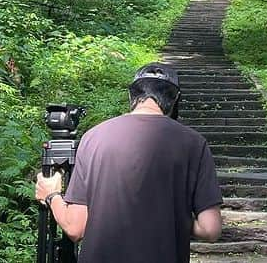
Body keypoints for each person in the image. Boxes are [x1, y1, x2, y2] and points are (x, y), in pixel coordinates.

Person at [35, 63, 223, 263]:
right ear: (175, 99)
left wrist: (52, 195)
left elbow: (75, 228)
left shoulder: (94, 137)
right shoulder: (194, 143)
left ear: (131, 96)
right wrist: (169, 215)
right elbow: (210, 229)